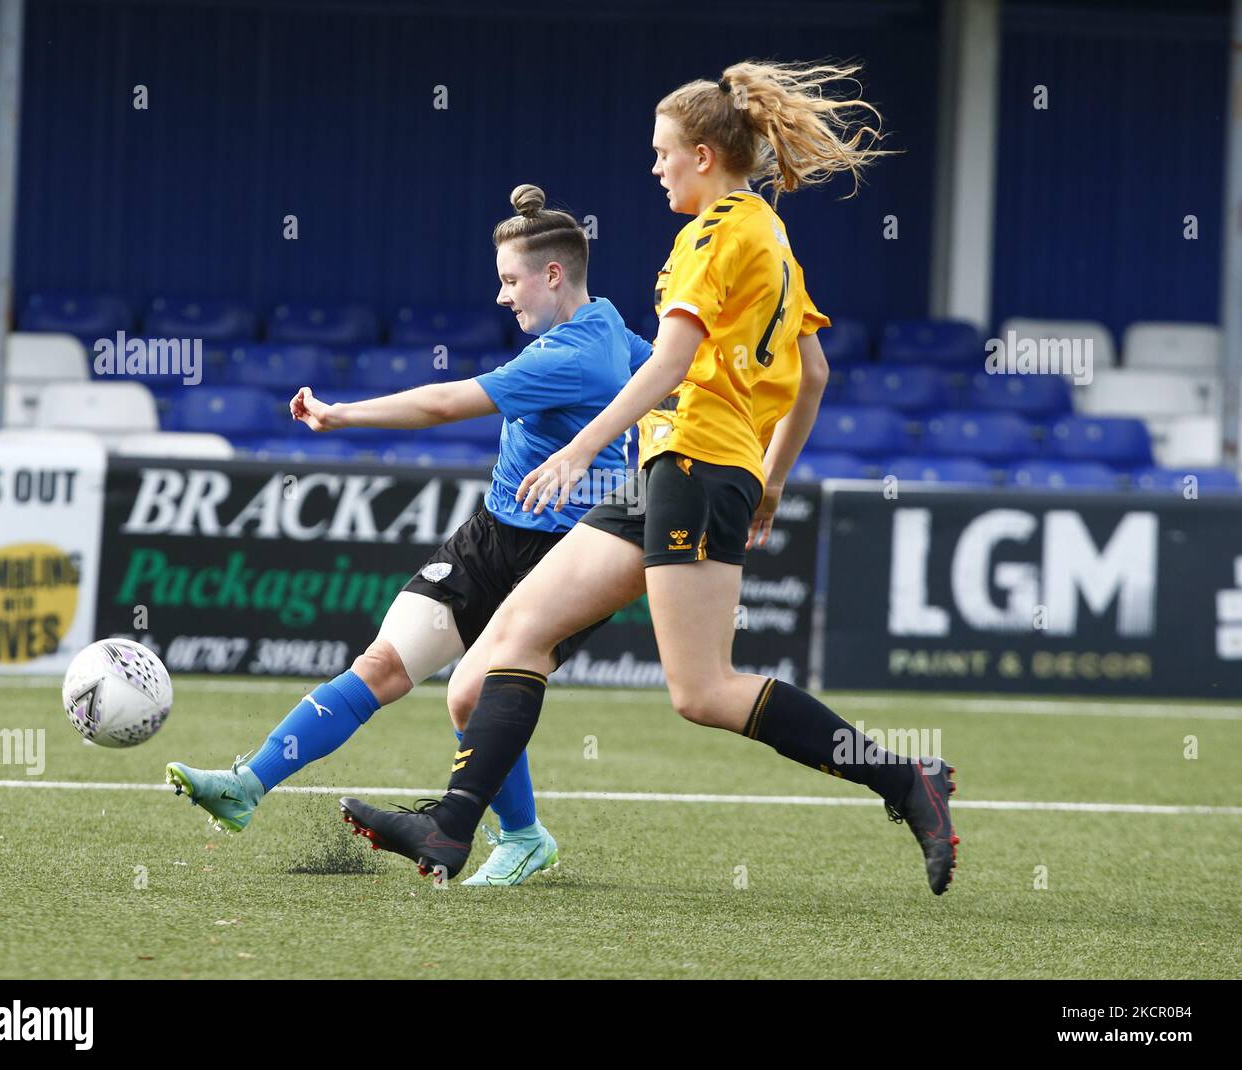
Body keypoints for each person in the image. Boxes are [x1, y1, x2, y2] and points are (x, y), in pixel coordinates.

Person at [337, 60, 960, 895]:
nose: (656, 166)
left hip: (695, 464)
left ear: (705, 155)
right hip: (688, 467)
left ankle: (903, 780)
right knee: (507, 643)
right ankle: (451, 830)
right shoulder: (768, 233)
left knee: (702, 690)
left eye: (664, 152)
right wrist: (772, 480)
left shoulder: (712, 234)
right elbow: (811, 374)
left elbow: (672, 359)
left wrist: (580, 447)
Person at [165, 183, 654, 886]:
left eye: (511, 280)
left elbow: (442, 402)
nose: (502, 296)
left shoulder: (571, 356)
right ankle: (246, 785)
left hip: (566, 558)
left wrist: (341, 416)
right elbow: (667, 377)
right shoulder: (607, 323)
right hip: (492, 535)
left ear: (553, 275)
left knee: (477, 692)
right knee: (382, 666)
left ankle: (522, 837)